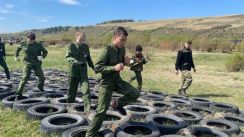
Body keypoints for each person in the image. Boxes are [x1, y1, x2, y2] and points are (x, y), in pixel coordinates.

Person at [85, 27, 140, 137]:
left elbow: (124, 63)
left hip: (117, 81)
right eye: (121, 40)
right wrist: (113, 68)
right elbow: (97, 68)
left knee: (135, 93)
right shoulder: (107, 50)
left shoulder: (122, 49)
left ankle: (117, 104)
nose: (123, 43)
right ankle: (89, 135)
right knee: (101, 111)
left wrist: (129, 62)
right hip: (106, 84)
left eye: (125, 40)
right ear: (115, 38)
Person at [66, 31, 94, 112]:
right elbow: (68, 57)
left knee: (86, 90)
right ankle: (69, 108)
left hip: (83, 73)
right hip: (73, 72)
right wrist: (75, 61)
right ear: (76, 38)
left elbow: (88, 58)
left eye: (83, 40)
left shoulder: (85, 47)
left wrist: (92, 66)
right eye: (80, 40)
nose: (82, 42)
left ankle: (87, 110)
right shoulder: (71, 46)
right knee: (71, 92)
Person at [14, 32, 48, 100]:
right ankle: (18, 94)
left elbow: (45, 52)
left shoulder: (38, 45)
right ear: (27, 39)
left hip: (36, 64)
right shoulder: (23, 44)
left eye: (33, 40)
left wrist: (42, 57)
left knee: (42, 77)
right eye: (30, 40)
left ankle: (40, 87)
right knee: (24, 78)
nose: (32, 41)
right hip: (27, 63)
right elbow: (17, 49)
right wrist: (16, 56)